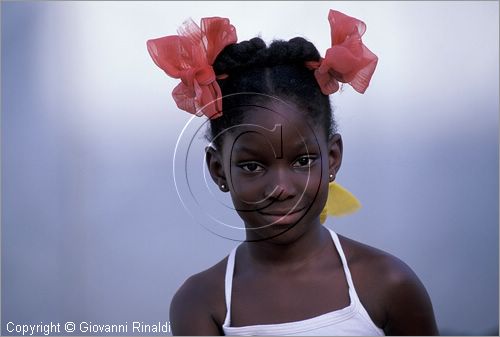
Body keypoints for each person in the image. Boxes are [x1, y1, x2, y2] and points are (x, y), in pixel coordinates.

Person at [147, 9, 439, 336]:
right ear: (218, 170)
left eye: (302, 161)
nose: (282, 187)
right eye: (253, 165)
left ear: (333, 158)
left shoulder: (388, 285)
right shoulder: (202, 304)